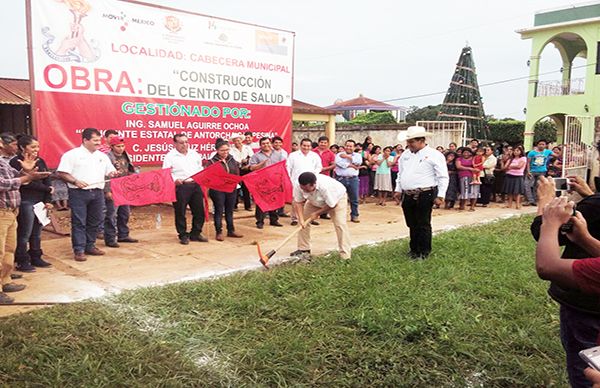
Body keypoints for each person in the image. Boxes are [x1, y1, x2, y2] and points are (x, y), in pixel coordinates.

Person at [531, 170, 600, 387]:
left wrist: (546, 205)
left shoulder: (595, 207)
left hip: (586, 304)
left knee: (586, 365)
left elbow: (547, 265)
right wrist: (587, 238)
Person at [0, 138, 50, 304]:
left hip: (11, 211)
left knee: (8, 249)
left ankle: (5, 281)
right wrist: (26, 178)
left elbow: (18, 177)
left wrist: (27, 173)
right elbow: (4, 184)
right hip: (1, 212)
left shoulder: (4, 163)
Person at [57, 128, 118, 261]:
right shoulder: (71, 155)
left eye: (99, 140)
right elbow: (62, 173)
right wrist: (75, 181)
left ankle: (90, 245)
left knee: (95, 221)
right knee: (79, 221)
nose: (98, 143)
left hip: (97, 192)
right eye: (95, 140)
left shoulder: (102, 156)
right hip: (78, 193)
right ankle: (79, 249)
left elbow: (110, 171)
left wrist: (113, 173)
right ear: (85, 140)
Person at [394, 126, 448, 260]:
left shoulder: (435, 155)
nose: (409, 144)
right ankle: (414, 249)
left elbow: (443, 176)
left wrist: (441, 195)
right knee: (411, 223)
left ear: (421, 140)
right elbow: (401, 173)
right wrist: (398, 189)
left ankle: (424, 251)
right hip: (407, 194)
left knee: (423, 223)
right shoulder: (405, 155)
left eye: (412, 142)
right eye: (408, 141)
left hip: (425, 193)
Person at [10, 135, 53, 272]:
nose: (36, 149)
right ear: (22, 147)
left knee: (37, 232)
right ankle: (22, 260)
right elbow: (25, 183)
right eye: (32, 146)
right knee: (24, 233)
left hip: (40, 201)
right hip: (25, 201)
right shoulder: (16, 162)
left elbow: (47, 179)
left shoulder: (40, 161)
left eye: (38, 147)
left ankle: (36, 256)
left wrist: (48, 200)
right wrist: (47, 189)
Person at [290, 172, 351, 259]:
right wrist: (301, 219)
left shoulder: (325, 187)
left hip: (337, 200)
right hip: (314, 200)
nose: (304, 191)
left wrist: (317, 213)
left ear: (314, 184)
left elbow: (332, 205)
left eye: (307, 189)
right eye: (303, 189)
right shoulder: (298, 185)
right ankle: (303, 249)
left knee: (340, 224)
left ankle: (345, 255)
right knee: (302, 222)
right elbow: (298, 202)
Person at [162, 133, 207, 245]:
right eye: (181, 143)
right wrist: (175, 180)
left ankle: (196, 233)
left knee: (199, 210)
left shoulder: (194, 154)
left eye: (186, 142)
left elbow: (200, 167)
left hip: (195, 184)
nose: (185, 145)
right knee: (180, 211)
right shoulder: (170, 156)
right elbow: (166, 172)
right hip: (181, 186)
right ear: (175, 144)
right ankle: (183, 234)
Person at [103, 136, 138, 248]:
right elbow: (105, 175)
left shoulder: (126, 156)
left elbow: (130, 170)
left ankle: (123, 234)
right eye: (118, 146)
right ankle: (110, 238)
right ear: (112, 147)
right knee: (111, 214)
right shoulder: (107, 158)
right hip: (113, 188)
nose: (121, 148)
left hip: (124, 188)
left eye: (123, 146)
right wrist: (107, 190)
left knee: (124, 213)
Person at [207, 139, 243, 241]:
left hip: (231, 188)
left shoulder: (232, 159)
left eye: (227, 150)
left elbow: (236, 171)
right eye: (222, 150)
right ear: (217, 150)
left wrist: (236, 181)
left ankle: (231, 230)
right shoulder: (212, 162)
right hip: (218, 190)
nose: (225, 152)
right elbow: (209, 176)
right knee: (219, 210)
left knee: (229, 210)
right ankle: (219, 232)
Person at [249, 137, 285, 229]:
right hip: (262, 183)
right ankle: (260, 221)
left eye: (268, 143)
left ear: (270, 143)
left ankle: (274, 220)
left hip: (274, 181)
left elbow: (283, 166)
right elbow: (252, 168)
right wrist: (261, 164)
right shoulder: (256, 156)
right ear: (260, 145)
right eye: (264, 144)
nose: (266, 145)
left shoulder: (278, 154)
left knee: (274, 200)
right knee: (261, 202)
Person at [287, 138, 322, 226]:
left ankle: (310, 218)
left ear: (311, 146)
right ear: (300, 145)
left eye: (308, 146)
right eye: (304, 145)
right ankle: (295, 218)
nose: (306, 147)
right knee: (296, 200)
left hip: (311, 182)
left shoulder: (315, 155)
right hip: (296, 181)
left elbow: (319, 167)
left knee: (311, 201)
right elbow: (288, 168)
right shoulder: (293, 155)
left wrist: (313, 176)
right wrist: (290, 179)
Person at [335, 139, 362, 223]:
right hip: (340, 179)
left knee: (354, 199)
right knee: (338, 198)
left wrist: (347, 157)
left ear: (354, 147)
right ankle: (337, 216)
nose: (348, 147)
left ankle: (354, 215)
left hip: (353, 179)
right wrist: (351, 165)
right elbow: (340, 164)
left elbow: (358, 163)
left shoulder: (357, 155)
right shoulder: (339, 154)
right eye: (347, 145)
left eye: (350, 146)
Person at [525, 139, 553, 206]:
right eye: (540, 144)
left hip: (542, 172)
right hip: (532, 171)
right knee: (527, 185)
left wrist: (564, 149)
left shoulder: (548, 152)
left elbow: (557, 155)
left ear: (545, 145)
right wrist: (528, 171)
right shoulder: (532, 153)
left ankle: (535, 200)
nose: (541, 146)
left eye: (543, 144)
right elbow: (528, 163)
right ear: (537, 145)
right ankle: (530, 200)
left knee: (537, 186)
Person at [230, 135, 254, 211]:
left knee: (246, 188)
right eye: (235, 140)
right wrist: (240, 162)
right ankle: (234, 205)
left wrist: (246, 162)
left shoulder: (247, 148)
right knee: (236, 188)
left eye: (238, 140)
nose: (237, 142)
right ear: (233, 141)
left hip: (246, 169)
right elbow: (231, 159)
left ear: (241, 140)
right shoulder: (231, 149)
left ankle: (248, 206)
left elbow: (252, 158)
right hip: (236, 169)